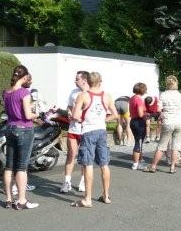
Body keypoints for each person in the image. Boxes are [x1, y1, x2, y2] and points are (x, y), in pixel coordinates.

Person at [71, 72, 118, 207]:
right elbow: (115, 115)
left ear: (87, 82)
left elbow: (75, 116)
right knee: (104, 164)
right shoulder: (107, 96)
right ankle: (106, 195)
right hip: (101, 131)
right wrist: (102, 119)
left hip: (88, 131)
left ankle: (87, 199)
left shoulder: (83, 95)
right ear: (100, 82)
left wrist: (83, 118)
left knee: (88, 164)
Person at [2, 65, 41, 209]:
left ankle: (8, 199)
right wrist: (37, 114)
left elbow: (8, 111)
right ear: (24, 77)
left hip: (9, 128)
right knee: (21, 167)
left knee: (9, 166)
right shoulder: (24, 92)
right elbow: (28, 115)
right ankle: (22, 200)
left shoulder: (6, 92)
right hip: (24, 129)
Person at [144, 75, 181, 174]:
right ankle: (172, 167)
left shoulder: (163, 95)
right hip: (179, 122)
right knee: (176, 146)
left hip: (168, 122)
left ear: (167, 84)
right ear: (176, 84)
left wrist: (161, 116)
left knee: (162, 146)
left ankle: (153, 166)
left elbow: (159, 110)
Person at [61, 70, 89, 193]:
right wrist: (68, 111)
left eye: (77, 79)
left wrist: (81, 118)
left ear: (84, 80)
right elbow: (69, 106)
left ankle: (82, 181)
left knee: (84, 157)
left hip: (85, 130)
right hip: (73, 129)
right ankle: (67, 182)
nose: (75, 81)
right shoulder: (74, 92)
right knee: (71, 154)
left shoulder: (90, 93)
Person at [129, 83, 148, 170]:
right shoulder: (139, 99)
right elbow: (140, 114)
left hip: (133, 120)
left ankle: (139, 159)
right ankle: (136, 164)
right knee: (139, 142)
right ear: (143, 90)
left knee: (138, 141)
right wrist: (148, 115)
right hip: (139, 122)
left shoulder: (132, 98)